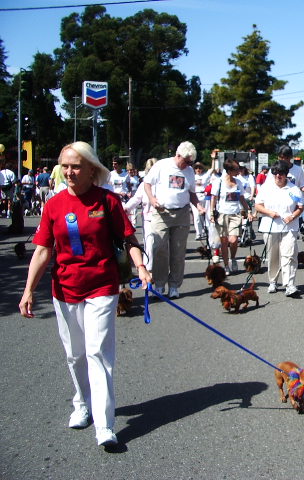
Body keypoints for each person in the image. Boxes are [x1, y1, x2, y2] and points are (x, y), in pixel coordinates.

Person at [18, 141, 152, 448]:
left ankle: (104, 424)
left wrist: (141, 267)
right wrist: (27, 291)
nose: (69, 172)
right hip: (64, 289)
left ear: (92, 169)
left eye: (76, 166)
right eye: (65, 166)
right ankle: (81, 402)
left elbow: (129, 239)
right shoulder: (53, 204)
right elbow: (42, 251)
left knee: (97, 353)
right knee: (74, 354)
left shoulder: (107, 201)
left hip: (102, 287)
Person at [144, 141, 206, 299]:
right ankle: (159, 283)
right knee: (159, 249)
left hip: (182, 213)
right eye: (186, 161)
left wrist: (198, 206)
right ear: (178, 155)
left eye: (190, 162)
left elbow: (191, 193)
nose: (188, 165)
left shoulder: (190, 171)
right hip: (162, 212)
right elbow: (147, 183)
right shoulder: (162, 165)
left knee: (178, 252)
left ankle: (174, 285)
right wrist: (152, 199)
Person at [254, 161, 304, 296]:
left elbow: (300, 208)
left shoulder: (294, 189)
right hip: (270, 226)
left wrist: (292, 216)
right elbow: (258, 205)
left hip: (289, 227)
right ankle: (273, 282)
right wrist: (270, 213)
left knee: (289, 255)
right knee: (273, 256)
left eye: (281, 174)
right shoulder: (266, 188)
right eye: (275, 173)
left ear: (286, 175)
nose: (278, 176)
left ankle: (290, 284)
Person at [210, 159, 253, 275]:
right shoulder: (218, 182)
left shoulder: (238, 182)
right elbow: (213, 198)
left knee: (233, 240)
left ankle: (232, 258)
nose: (239, 171)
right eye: (236, 169)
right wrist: (211, 213)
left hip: (235, 214)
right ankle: (225, 265)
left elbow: (242, 198)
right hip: (222, 214)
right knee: (224, 241)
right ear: (229, 171)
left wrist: (248, 210)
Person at [124, 158, 157, 270]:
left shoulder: (163, 184)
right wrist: (125, 208)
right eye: (150, 169)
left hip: (163, 220)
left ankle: (162, 271)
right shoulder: (143, 185)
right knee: (150, 245)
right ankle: (148, 270)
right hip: (148, 220)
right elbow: (136, 199)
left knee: (163, 247)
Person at [191, 162, 211, 241]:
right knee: (196, 217)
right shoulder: (192, 176)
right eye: (196, 168)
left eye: (200, 168)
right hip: (195, 197)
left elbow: (212, 170)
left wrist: (213, 159)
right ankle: (198, 233)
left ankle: (204, 231)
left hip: (204, 196)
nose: (198, 169)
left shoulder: (205, 176)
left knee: (205, 215)